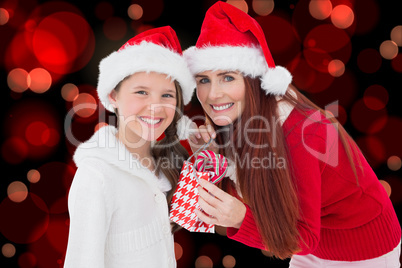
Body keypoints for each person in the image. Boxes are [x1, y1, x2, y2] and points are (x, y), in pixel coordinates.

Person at [183, 2, 401, 267]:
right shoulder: (239, 119)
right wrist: (210, 154)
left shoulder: (301, 134)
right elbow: (251, 190)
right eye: (204, 80)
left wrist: (242, 219)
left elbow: (303, 236)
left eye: (227, 77)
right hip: (311, 241)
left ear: (253, 81)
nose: (213, 94)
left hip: (361, 246)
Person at [64, 26, 195, 268]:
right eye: (141, 92)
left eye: (167, 95)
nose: (155, 107)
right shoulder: (97, 176)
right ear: (113, 96)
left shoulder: (165, 165)